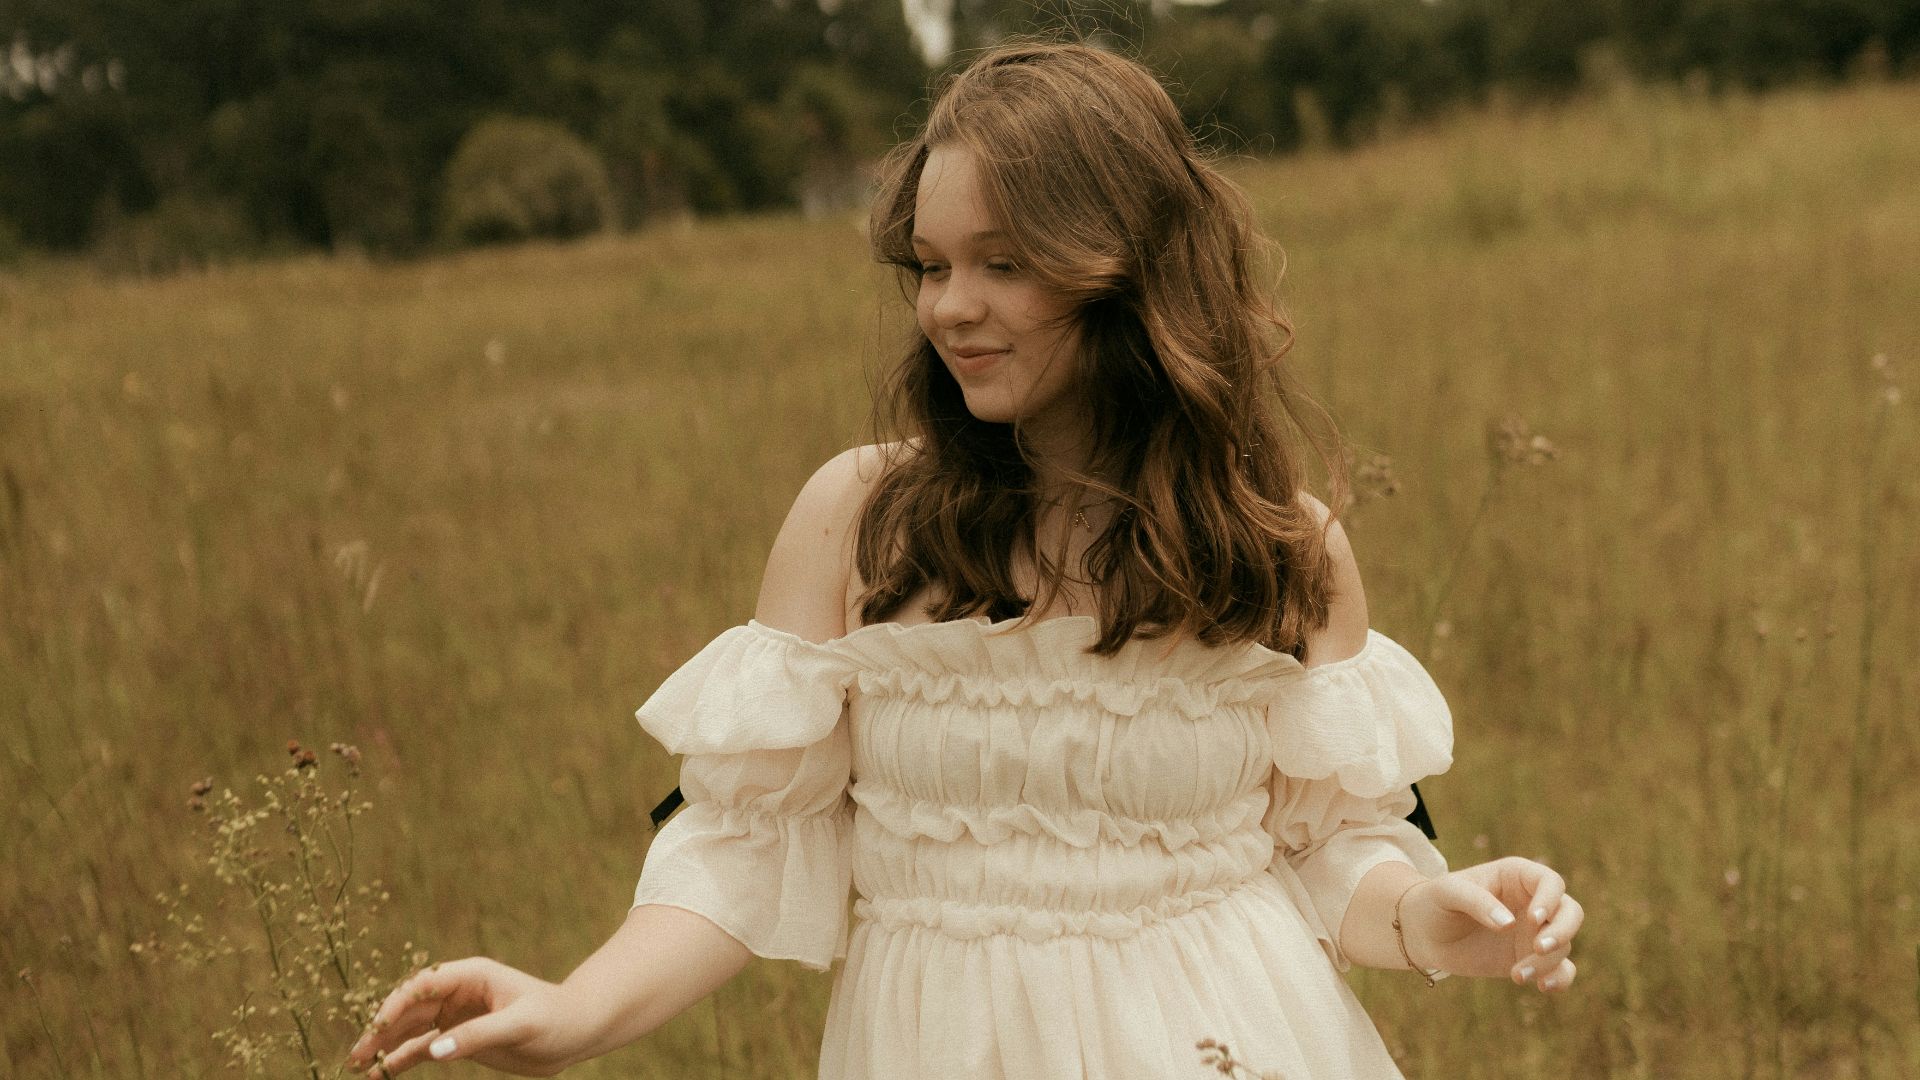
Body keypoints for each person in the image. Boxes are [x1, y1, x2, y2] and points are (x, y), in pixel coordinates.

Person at [346, 40, 1583, 1079]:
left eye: (1004, 263)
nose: (949, 308)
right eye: (931, 268)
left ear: (1131, 269)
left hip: (1232, 1032)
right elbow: (745, 843)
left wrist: (1430, 916)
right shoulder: (860, 519)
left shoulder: (1274, 542)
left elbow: (1331, 846)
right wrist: (576, 1010)